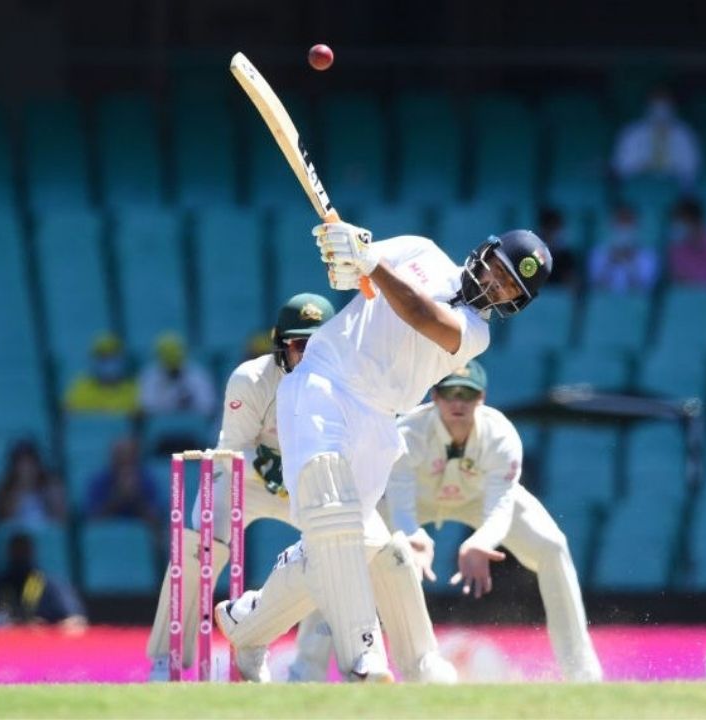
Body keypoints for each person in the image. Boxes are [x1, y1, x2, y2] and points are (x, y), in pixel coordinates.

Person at [214, 219, 553, 684]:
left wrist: (370, 260)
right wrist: (345, 251)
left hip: (378, 420)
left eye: (510, 286)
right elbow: (348, 274)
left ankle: (247, 624)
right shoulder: (420, 251)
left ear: (515, 302)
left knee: (354, 544)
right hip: (325, 381)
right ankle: (364, 655)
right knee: (333, 517)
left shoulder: (477, 332)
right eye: (498, 269)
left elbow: (421, 315)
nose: (497, 284)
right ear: (484, 253)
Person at [384, 360, 603, 681]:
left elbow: (500, 505)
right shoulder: (408, 433)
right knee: (349, 545)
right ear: (434, 396)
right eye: (450, 394)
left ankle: (582, 673)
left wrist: (480, 541)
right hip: (418, 498)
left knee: (552, 546)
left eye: (467, 394)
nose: (458, 403)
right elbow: (399, 500)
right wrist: (412, 536)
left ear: (481, 398)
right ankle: (352, 663)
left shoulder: (501, 434)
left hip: (478, 497)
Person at [0, 532, 87, 629]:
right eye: (16, 551)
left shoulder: (50, 586)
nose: (20, 556)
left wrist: (46, 630)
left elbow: (76, 621)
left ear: (31, 552)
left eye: (23, 551)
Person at [611, 86, 701, 189]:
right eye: (656, 104)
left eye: (665, 104)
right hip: (637, 186)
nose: (660, 110)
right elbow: (620, 166)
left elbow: (692, 167)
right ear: (647, 107)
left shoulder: (685, 134)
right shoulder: (631, 132)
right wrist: (642, 167)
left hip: (674, 188)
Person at [84, 436, 163, 533]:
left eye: (129, 456)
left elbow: (155, 519)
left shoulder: (147, 480)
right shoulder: (99, 480)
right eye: (120, 456)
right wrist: (118, 497)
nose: (125, 460)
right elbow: (94, 520)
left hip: (139, 534)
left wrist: (136, 497)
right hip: (107, 535)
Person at [138, 332, 216, 416]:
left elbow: (208, 405)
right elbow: (146, 406)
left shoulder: (197, 374)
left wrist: (188, 404)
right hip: (162, 421)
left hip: (191, 420)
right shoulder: (150, 376)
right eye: (168, 362)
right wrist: (171, 402)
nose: (172, 369)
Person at [0, 440, 67, 527]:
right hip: (18, 534)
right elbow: (5, 520)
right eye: (22, 465)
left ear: (38, 465)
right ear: (14, 468)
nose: (26, 469)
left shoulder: (51, 486)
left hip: (47, 533)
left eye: (30, 464)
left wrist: (49, 498)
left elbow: (61, 521)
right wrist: (22, 488)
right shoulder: (6, 491)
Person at [588, 203, 659, 293]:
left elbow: (644, 291)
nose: (624, 227)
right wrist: (610, 262)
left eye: (628, 221)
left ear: (637, 225)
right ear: (611, 224)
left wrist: (630, 263)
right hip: (604, 300)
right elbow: (595, 287)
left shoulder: (648, 255)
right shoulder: (598, 252)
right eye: (620, 221)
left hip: (635, 301)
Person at [63, 333, 139, 415]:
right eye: (103, 357)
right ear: (92, 360)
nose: (109, 362)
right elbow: (67, 414)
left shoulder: (136, 390)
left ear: (123, 360)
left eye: (113, 356)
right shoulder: (79, 388)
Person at [536, 207, 580, 290]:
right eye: (549, 228)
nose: (553, 234)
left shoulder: (566, 256)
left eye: (555, 229)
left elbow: (572, 283)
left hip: (559, 296)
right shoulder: (530, 253)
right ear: (542, 229)